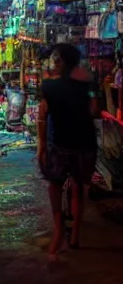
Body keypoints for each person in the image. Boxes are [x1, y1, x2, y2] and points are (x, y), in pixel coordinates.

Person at [37, 44, 98, 258]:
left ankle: (58, 230)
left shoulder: (49, 86)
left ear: (60, 61)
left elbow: (42, 118)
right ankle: (76, 235)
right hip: (85, 143)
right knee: (78, 188)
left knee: (55, 186)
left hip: (59, 143)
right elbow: (94, 108)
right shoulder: (87, 83)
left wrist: (41, 146)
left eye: (55, 59)